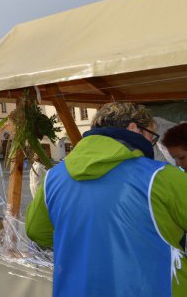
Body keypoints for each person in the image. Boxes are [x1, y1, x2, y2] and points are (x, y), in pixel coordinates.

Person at [26, 102, 187, 296]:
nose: (152, 144)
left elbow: (36, 231)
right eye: (150, 137)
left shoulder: (53, 177)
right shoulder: (162, 176)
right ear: (134, 128)